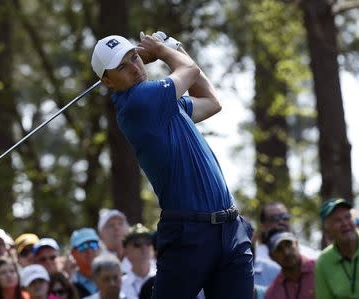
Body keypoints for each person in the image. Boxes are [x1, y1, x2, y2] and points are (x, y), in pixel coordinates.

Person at [91, 31, 253, 299]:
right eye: (122, 66)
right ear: (107, 81)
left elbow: (212, 102)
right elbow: (189, 69)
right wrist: (163, 50)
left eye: (134, 57)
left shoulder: (165, 104)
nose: (135, 67)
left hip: (230, 228)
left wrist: (173, 47)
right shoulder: (139, 102)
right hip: (188, 234)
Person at [315, 198, 359, 299]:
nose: (345, 223)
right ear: (327, 230)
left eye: (348, 217)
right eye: (337, 220)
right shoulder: (323, 262)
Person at [264, 230, 315, 299]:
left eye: (289, 244)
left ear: (297, 244)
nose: (286, 252)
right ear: (271, 256)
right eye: (279, 249)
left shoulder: (320, 269)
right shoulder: (272, 293)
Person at [120, 224, 155, 299]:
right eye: (137, 244)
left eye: (148, 243)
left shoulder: (164, 278)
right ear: (126, 251)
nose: (144, 247)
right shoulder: (119, 284)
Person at [70, 228, 101, 298]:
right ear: (73, 254)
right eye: (83, 247)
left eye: (93, 245)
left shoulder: (114, 277)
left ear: (99, 249)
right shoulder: (67, 287)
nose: (89, 250)